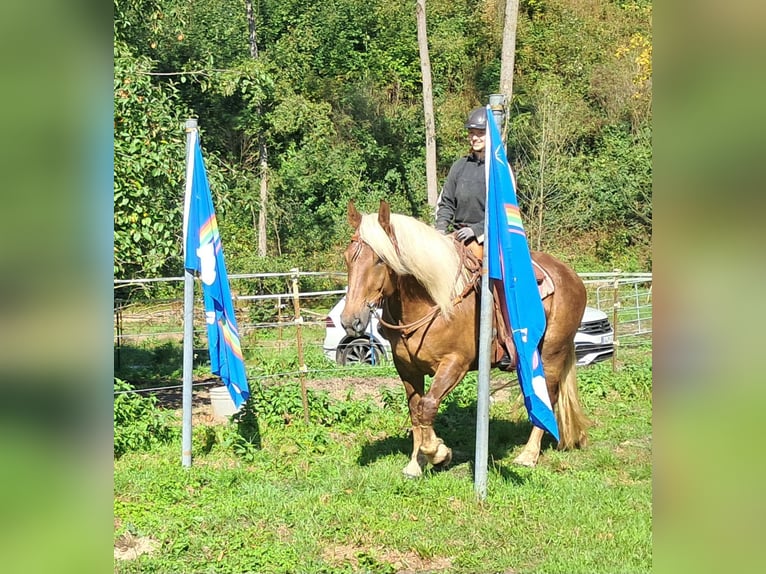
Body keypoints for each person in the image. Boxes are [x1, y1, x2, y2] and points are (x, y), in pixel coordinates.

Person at [435, 106, 488, 244]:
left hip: (488, 239)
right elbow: (446, 203)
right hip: (458, 236)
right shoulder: (459, 166)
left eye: (481, 133)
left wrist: (476, 230)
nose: (474, 138)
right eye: (471, 133)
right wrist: (441, 229)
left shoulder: (499, 170)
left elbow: (503, 212)